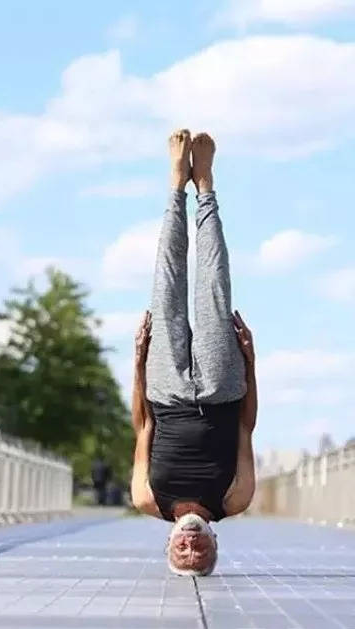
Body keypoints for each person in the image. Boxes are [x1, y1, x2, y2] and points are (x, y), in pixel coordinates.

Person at [130, 129, 258, 577]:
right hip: (223, 386)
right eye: (199, 554)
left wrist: (138, 362)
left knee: (166, 283)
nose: (190, 545)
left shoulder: (147, 498)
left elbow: (143, 425)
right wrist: (250, 362)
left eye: (181, 553)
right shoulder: (234, 499)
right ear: (214, 542)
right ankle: (204, 187)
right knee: (213, 284)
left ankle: (174, 185)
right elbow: (246, 426)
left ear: (168, 544)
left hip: (164, 389)